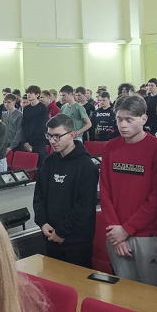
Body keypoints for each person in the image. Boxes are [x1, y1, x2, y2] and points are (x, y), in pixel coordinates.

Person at [99, 96, 157, 287]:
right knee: (123, 292)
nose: (123, 125)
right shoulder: (110, 148)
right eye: (119, 119)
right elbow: (104, 192)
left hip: (147, 235)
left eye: (129, 119)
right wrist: (116, 231)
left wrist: (126, 230)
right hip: (115, 233)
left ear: (143, 119)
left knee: (151, 294)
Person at [33, 114, 98, 268]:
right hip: (50, 237)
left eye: (57, 136)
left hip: (76, 243)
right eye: (49, 136)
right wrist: (42, 222)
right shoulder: (49, 161)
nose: (52, 141)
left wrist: (62, 232)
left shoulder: (86, 166)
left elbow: (84, 207)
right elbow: (39, 195)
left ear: (72, 135)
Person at [21, 86, 49, 167]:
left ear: (37, 95)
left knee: (41, 163)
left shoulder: (43, 108)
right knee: (28, 165)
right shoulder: (26, 109)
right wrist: (25, 141)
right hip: (27, 141)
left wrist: (31, 142)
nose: (28, 95)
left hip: (39, 141)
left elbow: (42, 126)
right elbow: (24, 125)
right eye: (27, 93)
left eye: (31, 93)